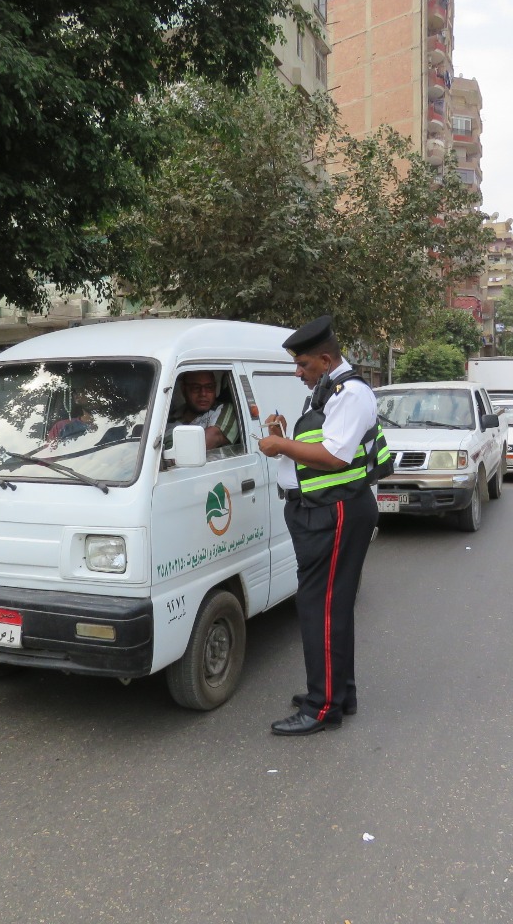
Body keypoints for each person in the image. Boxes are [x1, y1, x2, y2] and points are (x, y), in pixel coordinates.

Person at [257, 315, 389, 736]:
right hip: (321, 509)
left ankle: (322, 706)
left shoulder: (350, 394)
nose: (298, 372)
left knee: (322, 609)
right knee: (327, 607)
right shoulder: (328, 389)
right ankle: (338, 692)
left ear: (327, 358)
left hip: (336, 511)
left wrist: (278, 444)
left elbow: (334, 457)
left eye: (304, 365)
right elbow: (316, 447)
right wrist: (285, 436)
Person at [174, 370, 238, 450]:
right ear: (183, 389)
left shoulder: (224, 409)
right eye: (196, 388)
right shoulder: (170, 417)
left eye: (209, 387)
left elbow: (210, 438)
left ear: (215, 388)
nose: (203, 393)